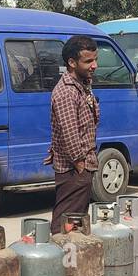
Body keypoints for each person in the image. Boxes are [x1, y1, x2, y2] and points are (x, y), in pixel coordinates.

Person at [47, 35, 99, 232]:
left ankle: (71, 258)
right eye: (88, 61)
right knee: (65, 223)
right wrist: (80, 165)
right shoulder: (66, 93)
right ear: (71, 62)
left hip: (81, 167)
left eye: (95, 60)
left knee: (75, 223)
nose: (94, 65)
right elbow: (70, 135)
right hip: (73, 169)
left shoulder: (82, 85)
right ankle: (58, 257)